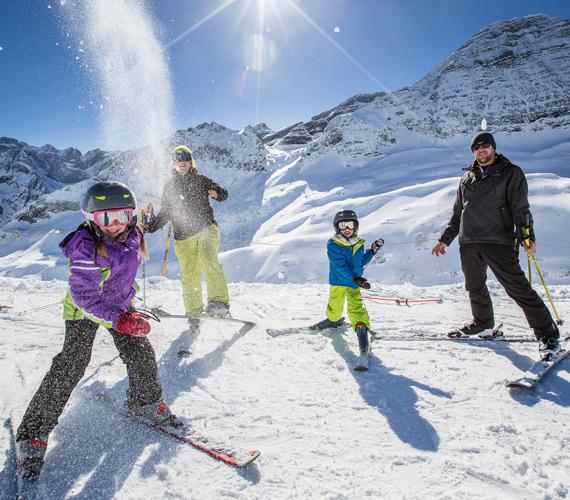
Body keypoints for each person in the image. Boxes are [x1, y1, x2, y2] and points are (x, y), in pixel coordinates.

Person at [16, 181, 181, 480]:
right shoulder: (85, 246)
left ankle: (145, 402)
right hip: (84, 310)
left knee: (140, 349)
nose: (115, 225)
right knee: (73, 362)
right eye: (106, 218)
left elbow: (123, 276)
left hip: (118, 306)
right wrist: (119, 319)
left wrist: (128, 308)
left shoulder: (133, 235)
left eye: (121, 216)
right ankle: (32, 434)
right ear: (92, 218)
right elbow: (85, 296)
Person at [432, 131, 561, 360]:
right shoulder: (466, 178)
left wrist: (527, 238)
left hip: (499, 240)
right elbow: (457, 214)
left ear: (493, 148)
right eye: (477, 147)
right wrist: (445, 239)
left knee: (518, 289)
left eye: (485, 146)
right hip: (469, 242)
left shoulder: (511, 173)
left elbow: (520, 208)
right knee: (475, 287)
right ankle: (483, 324)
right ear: (473, 151)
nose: (481, 150)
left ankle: (548, 335)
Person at [144, 146, 230, 321]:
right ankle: (193, 311)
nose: (182, 164)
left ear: (191, 162)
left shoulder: (201, 179)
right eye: (178, 161)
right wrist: (151, 227)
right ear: (174, 163)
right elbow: (166, 212)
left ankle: (219, 303)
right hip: (183, 237)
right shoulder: (170, 186)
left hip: (205, 228)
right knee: (189, 272)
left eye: (185, 160)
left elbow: (223, 193)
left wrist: (217, 193)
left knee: (208, 257)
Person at [312, 209, 384, 354]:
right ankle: (333, 320)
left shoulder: (358, 244)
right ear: (337, 227)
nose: (346, 229)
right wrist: (355, 277)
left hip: (354, 283)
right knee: (335, 305)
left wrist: (372, 251)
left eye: (350, 225)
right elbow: (339, 265)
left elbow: (361, 261)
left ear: (355, 227)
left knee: (356, 307)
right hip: (339, 282)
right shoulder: (333, 244)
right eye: (343, 225)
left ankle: (361, 327)